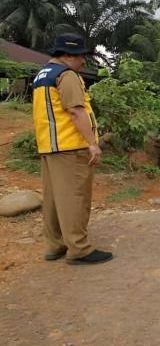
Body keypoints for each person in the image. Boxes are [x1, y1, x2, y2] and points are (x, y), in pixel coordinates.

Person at [32, 33, 113, 265]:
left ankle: (55, 244)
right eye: (80, 56)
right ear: (67, 56)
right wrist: (92, 143)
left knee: (54, 198)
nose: (83, 61)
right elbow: (76, 111)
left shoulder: (43, 74)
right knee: (75, 197)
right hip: (70, 146)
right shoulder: (66, 76)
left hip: (50, 145)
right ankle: (79, 249)